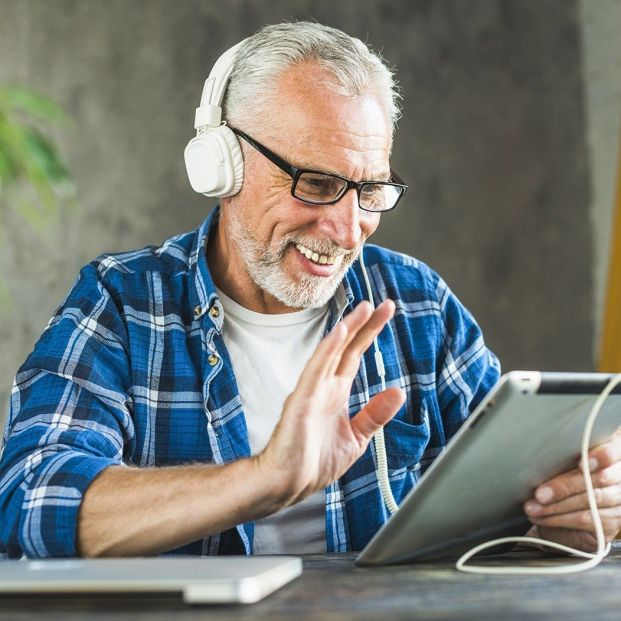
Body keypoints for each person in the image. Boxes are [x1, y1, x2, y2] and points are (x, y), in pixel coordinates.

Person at [1, 22, 619, 559]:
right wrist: (261, 481)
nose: (348, 230)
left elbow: (509, 491)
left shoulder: (418, 306)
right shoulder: (122, 304)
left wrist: (569, 509)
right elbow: (29, 498)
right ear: (222, 164)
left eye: (370, 190)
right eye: (317, 184)